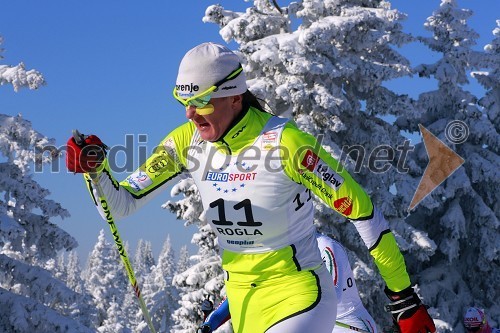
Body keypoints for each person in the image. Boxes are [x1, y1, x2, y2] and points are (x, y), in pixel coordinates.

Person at [66, 42, 435, 333]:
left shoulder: (285, 143)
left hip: (299, 297)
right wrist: (96, 170)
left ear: (233, 96)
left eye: (199, 101)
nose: (189, 114)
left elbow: (363, 212)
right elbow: (120, 205)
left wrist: (403, 299)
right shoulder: (186, 142)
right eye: (183, 101)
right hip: (243, 304)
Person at [198, 232, 378, 333]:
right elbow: (247, 292)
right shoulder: (276, 254)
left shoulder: (324, 246)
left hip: (347, 324)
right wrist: (211, 322)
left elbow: (331, 298)